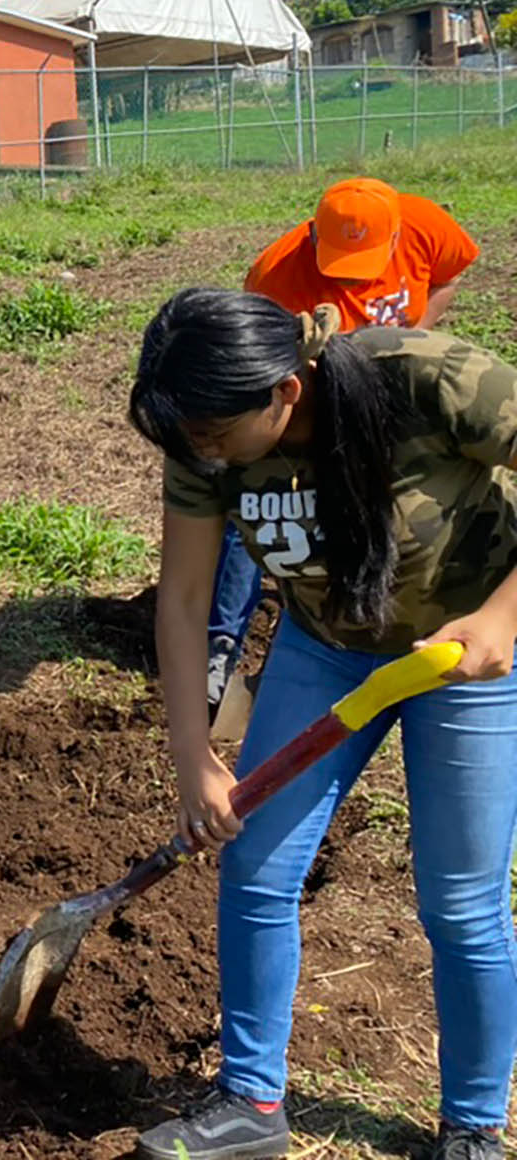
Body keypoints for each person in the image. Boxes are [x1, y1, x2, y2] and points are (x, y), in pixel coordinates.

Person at [129, 288, 517, 1160]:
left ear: (285, 392)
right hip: (325, 646)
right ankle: (252, 1105)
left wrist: (503, 617)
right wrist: (193, 756)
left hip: (463, 654)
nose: (202, 452)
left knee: (462, 905)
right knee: (258, 868)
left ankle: (473, 1126)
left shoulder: (427, 379)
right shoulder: (203, 433)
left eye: (216, 435)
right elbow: (187, 598)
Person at [206, 178, 480, 712]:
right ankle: (223, 643)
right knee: (260, 511)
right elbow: (258, 372)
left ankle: (380, 617)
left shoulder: (427, 226)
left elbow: (450, 277)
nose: (351, 277)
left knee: (378, 504)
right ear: (312, 237)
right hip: (310, 406)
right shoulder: (274, 275)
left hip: (387, 397)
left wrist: (412, 336)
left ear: (397, 234)